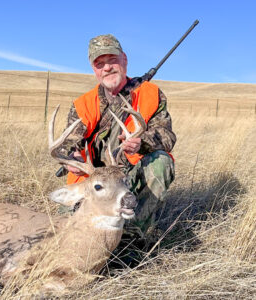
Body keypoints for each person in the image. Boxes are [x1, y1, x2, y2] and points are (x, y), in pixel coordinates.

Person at [57, 34, 176, 237]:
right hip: (93, 181)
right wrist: (70, 158)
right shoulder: (83, 104)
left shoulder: (150, 94)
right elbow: (68, 143)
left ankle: (134, 237)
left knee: (161, 161)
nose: (107, 68)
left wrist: (142, 143)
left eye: (112, 60)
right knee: (68, 234)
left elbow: (167, 136)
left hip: (129, 177)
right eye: (99, 63)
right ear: (94, 69)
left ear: (124, 60)